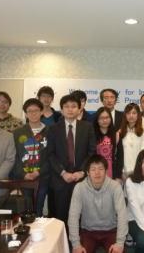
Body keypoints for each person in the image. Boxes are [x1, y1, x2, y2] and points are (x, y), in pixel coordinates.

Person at [47, 94, 96, 224]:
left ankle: (79, 243)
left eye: (74, 106)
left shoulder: (87, 127)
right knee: (60, 217)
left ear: (80, 109)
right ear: (61, 110)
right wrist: (63, 173)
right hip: (60, 179)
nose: (70, 109)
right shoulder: (52, 129)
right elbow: (50, 154)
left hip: (81, 179)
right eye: (66, 107)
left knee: (81, 216)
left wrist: (82, 172)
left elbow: (91, 152)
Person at [68, 154, 128, 253]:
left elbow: (122, 216)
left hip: (110, 230)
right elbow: (73, 217)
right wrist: (76, 244)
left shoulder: (115, 187)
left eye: (101, 169)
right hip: (88, 231)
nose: (97, 173)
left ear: (106, 171)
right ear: (87, 172)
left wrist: (120, 243)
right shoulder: (79, 188)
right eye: (93, 169)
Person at [12, 98, 50, 216]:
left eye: (36, 110)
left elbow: (52, 156)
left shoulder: (50, 131)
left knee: (38, 209)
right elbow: (14, 156)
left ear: (42, 112)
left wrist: (39, 172)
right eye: (30, 111)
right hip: (23, 178)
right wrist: (23, 174)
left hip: (43, 177)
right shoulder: (17, 132)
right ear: (25, 113)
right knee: (24, 210)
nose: (33, 113)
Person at [117, 103, 144, 180]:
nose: (131, 116)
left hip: (139, 171)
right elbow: (119, 154)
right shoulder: (120, 132)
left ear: (138, 115)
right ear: (125, 115)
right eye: (128, 113)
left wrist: (137, 170)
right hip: (124, 172)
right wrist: (123, 172)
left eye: (134, 113)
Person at [93, 107, 120, 179]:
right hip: (96, 171)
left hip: (111, 171)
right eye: (101, 118)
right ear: (97, 120)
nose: (104, 120)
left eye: (107, 117)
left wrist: (118, 176)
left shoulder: (116, 135)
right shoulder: (92, 135)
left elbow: (119, 156)